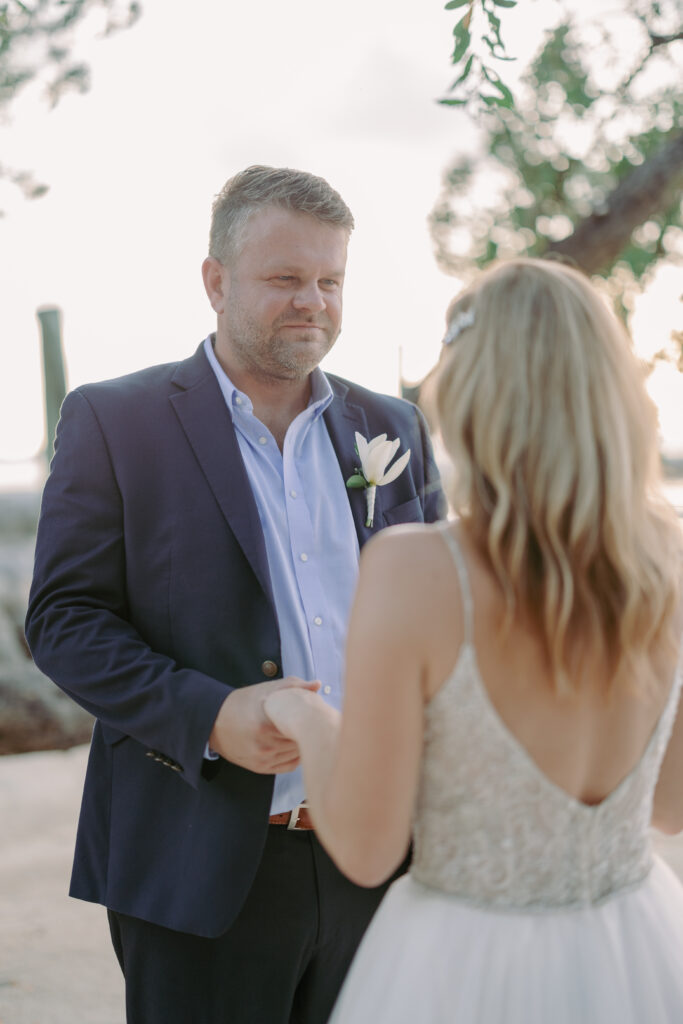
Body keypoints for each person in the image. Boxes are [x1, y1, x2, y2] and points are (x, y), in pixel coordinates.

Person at [24, 165, 446, 1024]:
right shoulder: (117, 421)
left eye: (331, 281)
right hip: (199, 857)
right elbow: (65, 622)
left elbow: (442, 624)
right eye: (285, 279)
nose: (313, 303)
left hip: (378, 853)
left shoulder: (390, 429)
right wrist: (212, 716)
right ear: (215, 282)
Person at [265, 257, 683, 1023]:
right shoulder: (670, 559)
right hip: (637, 952)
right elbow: (670, 804)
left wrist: (303, 718)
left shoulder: (417, 568)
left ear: (470, 396)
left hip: (463, 965)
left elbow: (365, 848)